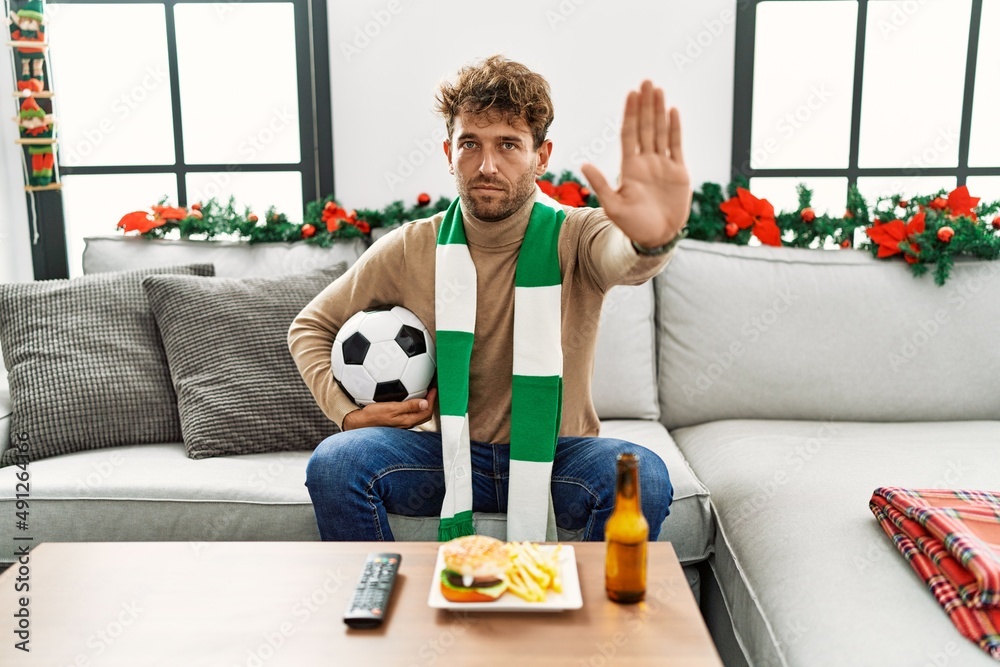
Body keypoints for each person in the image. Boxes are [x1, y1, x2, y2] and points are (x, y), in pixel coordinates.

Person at [289, 55, 692, 542]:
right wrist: (347, 413)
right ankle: (384, 605)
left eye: (508, 144)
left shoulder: (576, 234)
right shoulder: (414, 244)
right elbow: (310, 326)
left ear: (541, 156)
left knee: (642, 476)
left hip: (557, 454)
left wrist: (649, 239)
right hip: (449, 456)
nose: (486, 165)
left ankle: (586, 614)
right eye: (470, 144)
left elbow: (622, 256)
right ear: (448, 151)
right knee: (336, 463)